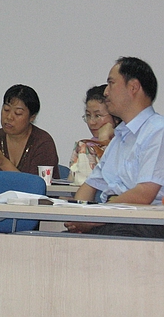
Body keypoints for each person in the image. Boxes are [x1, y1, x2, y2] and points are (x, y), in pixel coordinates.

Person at [65, 57, 164, 238]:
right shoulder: (120, 136)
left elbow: (144, 194)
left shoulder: (158, 130)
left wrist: (94, 218)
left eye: (111, 83)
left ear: (133, 87)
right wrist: (76, 216)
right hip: (113, 219)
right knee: (56, 242)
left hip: (144, 222)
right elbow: (90, 185)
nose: (106, 92)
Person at [0, 84, 60, 179]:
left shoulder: (43, 143)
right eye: (6, 110)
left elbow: (35, 185)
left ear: (32, 117)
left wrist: (4, 164)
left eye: (18, 113)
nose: (9, 117)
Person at [68, 84, 121, 185]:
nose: (91, 122)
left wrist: (104, 141)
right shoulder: (84, 147)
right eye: (88, 115)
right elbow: (72, 182)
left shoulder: (125, 144)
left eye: (98, 115)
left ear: (116, 117)